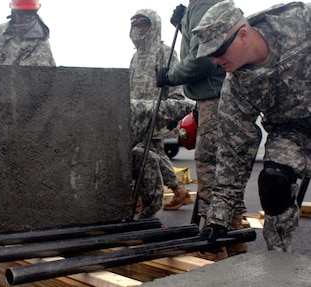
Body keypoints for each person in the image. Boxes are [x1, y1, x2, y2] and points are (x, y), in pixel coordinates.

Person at [192, 0, 311, 252]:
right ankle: (279, 263)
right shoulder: (236, 86)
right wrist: (218, 218)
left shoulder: (300, 21)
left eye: (219, 50)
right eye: (209, 54)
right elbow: (233, 151)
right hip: (291, 131)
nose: (214, 60)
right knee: (273, 182)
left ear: (242, 34)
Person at [156, 0, 247, 258]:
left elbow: (204, 60)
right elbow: (205, 45)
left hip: (214, 98)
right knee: (227, 169)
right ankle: (234, 238)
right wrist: (185, 25)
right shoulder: (206, 4)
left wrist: (170, 75)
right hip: (220, 96)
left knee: (210, 167)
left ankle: (213, 246)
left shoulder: (204, 4)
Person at [129, 9, 193, 218]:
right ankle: (176, 190)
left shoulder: (163, 52)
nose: (140, 29)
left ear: (153, 26)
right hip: (138, 117)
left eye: (144, 24)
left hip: (157, 113)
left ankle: (144, 197)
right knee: (152, 155)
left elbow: (176, 86)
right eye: (137, 25)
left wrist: (173, 114)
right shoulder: (136, 56)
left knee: (150, 155)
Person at [0, 0, 56, 66]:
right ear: (14, 11)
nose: (26, 16)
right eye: (21, 12)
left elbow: (47, 74)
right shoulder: (2, 30)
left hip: (27, 77)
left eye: (30, 12)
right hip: (0, 77)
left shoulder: (41, 40)